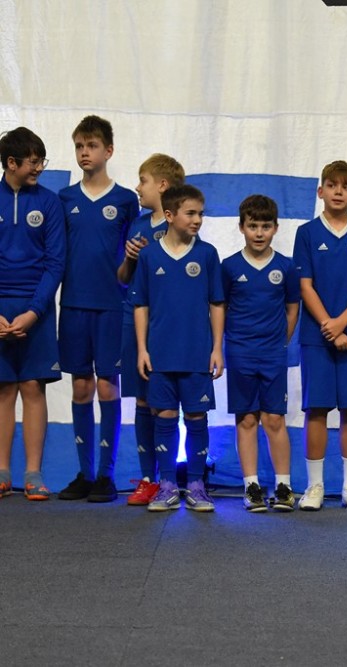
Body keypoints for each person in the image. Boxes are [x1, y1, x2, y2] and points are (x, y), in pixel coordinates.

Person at [56, 115, 139, 503]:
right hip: (74, 304)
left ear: (109, 150)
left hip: (111, 305)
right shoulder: (65, 199)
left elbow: (133, 257)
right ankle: (85, 473)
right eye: (79, 146)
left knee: (107, 385)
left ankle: (106, 474)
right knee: (80, 386)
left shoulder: (125, 200)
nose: (84, 153)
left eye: (91, 146)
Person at [132, 184, 224, 512]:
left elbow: (217, 303)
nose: (197, 219)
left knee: (197, 416)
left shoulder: (207, 254)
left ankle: (196, 485)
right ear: (169, 215)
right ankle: (167, 485)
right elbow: (140, 305)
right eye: (190, 213)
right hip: (159, 354)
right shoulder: (149, 256)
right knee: (165, 417)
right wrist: (142, 349)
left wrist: (217, 348)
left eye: (201, 213)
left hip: (197, 354)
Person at [293, 161, 347, 511]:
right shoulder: (307, 233)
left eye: (346, 186)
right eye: (332, 185)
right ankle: (314, 486)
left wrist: (342, 323)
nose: (338, 191)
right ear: (320, 191)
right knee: (316, 409)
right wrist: (329, 325)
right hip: (317, 336)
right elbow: (305, 285)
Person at [222, 195, 300, 512]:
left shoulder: (286, 267)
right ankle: (251, 486)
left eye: (265, 226)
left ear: (275, 228)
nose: (259, 233)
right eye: (252, 226)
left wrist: (279, 342)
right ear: (241, 227)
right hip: (240, 353)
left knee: (274, 419)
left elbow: (292, 309)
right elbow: (221, 309)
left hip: (272, 355)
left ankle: (283, 486)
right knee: (246, 419)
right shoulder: (229, 267)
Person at [0, 127, 66, 500]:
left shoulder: (50, 203)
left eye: (41, 161)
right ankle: (2, 472)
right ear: (12, 163)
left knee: (31, 387)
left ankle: (33, 473)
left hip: (36, 311)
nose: (39, 168)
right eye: (33, 162)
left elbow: (55, 263)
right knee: (4, 389)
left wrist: (33, 312)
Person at [117, 154, 185, 506]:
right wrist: (131, 258)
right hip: (135, 319)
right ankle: (148, 479)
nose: (137, 187)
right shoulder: (138, 225)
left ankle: (170, 479)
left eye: (142, 180)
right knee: (142, 399)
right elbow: (123, 278)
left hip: (168, 324)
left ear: (162, 185)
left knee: (166, 402)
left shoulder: (181, 225)